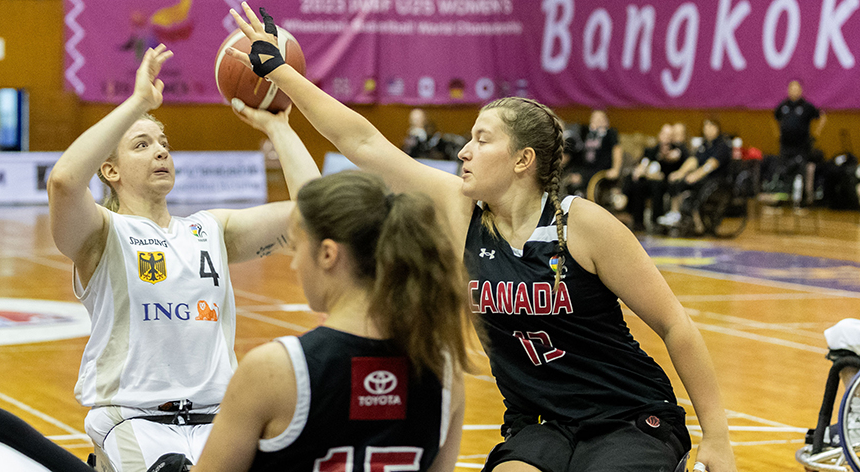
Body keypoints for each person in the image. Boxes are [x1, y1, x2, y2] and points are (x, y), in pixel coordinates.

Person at [224, 4, 737, 471]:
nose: (464, 151)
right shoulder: (460, 209)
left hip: (627, 416)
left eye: (481, 140)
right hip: (539, 424)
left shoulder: (583, 224)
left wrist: (717, 436)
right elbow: (363, 142)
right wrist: (282, 74)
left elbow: (674, 324)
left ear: (522, 160)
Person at [46, 44, 320, 471]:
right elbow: (64, 181)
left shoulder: (212, 229)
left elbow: (317, 213)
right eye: (141, 145)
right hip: (132, 419)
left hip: (218, 419)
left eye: (164, 144)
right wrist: (138, 102)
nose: (160, 152)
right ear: (110, 170)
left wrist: (278, 126)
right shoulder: (102, 234)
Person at [191, 171, 469, 472]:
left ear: (327, 254)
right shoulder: (445, 369)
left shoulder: (274, 369)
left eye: (296, 249)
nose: (294, 264)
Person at [658, 118, 732, 234]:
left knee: (691, 184)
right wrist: (680, 173)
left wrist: (696, 175)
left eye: (710, 126)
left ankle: (697, 222)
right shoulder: (704, 145)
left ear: (717, 128)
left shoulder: (722, 145)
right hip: (703, 179)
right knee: (678, 181)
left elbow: (711, 164)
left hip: (717, 181)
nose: (707, 129)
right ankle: (675, 213)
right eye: (705, 127)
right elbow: (693, 160)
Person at [624, 123, 688, 231]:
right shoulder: (651, 151)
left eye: (669, 136)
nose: (666, 138)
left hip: (666, 183)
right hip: (648, 181)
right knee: (637, 184)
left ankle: (657, 222)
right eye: (664, 134)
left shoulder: (677, 151)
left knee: (656, 185)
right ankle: (637, 221)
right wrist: (641, 171)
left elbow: (681, 160)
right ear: (659, 135)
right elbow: (643, 163)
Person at [772, 79, 826, 204]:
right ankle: (786, 197)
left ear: (801, 90)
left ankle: (804, 199)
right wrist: (778, 134)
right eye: (791, 88)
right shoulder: (783, 105)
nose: (794, 91)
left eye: (796, 89)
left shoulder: (807, 106)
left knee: (802, 171)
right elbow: (774, 118)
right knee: (785, 171)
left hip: (802, 146)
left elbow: (822, 117)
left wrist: (816, 133)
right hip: (786, 146)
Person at [564, 109, 623, 197]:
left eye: (600, 119)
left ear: (606, 122)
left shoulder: (610, 133)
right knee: (570, 176)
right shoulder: (586, 133)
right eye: (594, 119)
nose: (597, 122)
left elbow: (617, 150)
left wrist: (616, 169)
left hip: (601, 169)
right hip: (585, 167)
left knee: (583, 178)